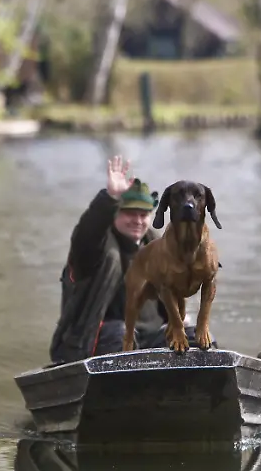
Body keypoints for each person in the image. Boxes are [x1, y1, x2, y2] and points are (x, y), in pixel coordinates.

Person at [48, 156, 214, 365]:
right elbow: (86, 235)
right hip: (102, 341)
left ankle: (217, 383)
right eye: (129, 213)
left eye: (143, 214)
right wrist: (109, 197)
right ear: (115, 213)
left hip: (153, 338)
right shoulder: (94, 249)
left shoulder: (160, 248)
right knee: (122, 332)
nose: (137, 220)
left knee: (197, 338)